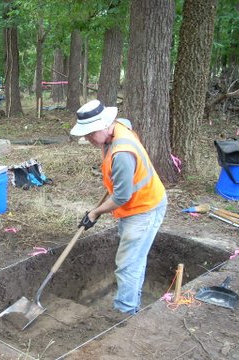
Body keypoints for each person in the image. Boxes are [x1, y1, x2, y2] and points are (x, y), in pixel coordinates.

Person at [71, 99, 167, 315]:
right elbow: (127, 122)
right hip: (135, 205)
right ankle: (132, 304)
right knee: (134, 259)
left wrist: (95, 213)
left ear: (106, 125)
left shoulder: (122, 153)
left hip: (144, 208)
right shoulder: (118, 127)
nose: (87, 138)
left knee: (127, 264)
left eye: (90, 133)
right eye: (85, 134)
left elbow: (122, 196)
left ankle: (124, 312)